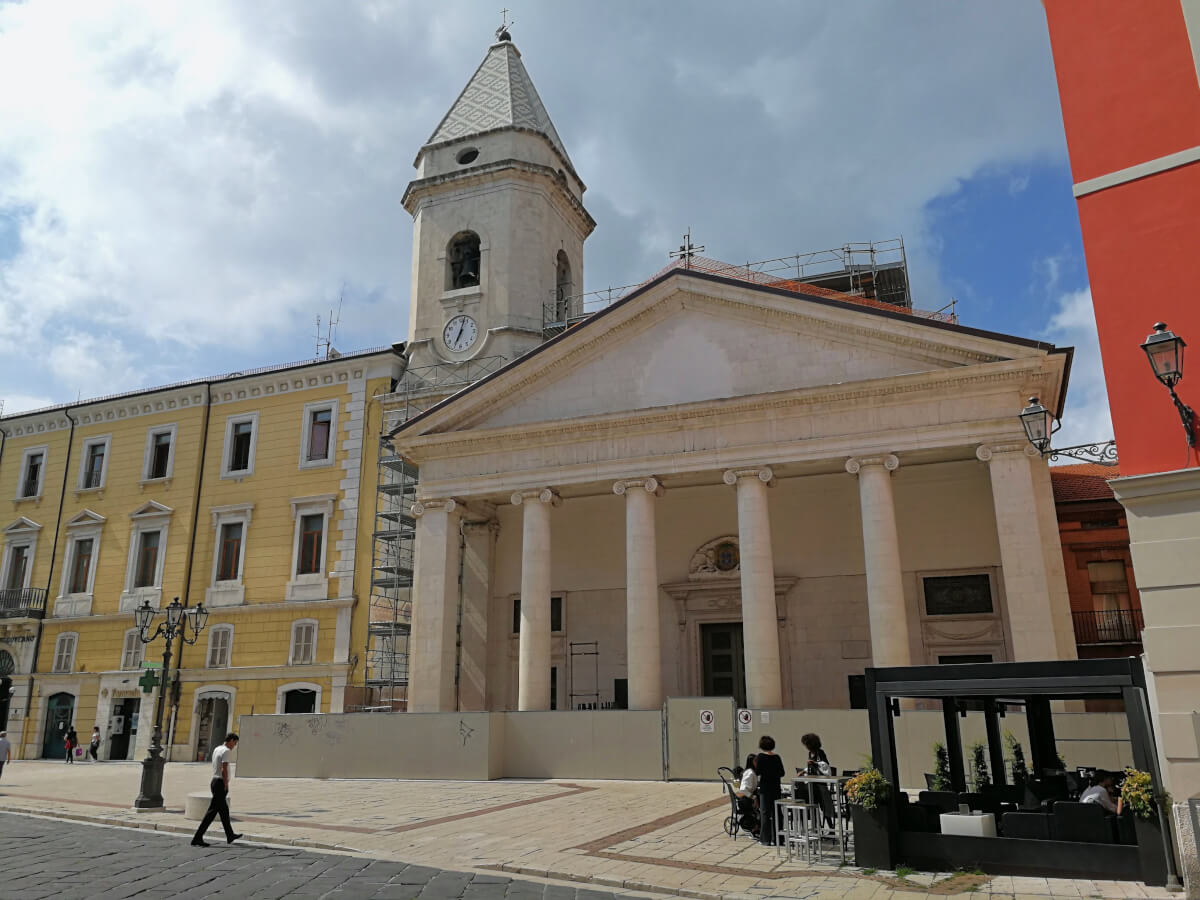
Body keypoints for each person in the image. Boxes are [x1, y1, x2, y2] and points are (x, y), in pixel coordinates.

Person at [191, 732, 243, 848]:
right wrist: (226, 784)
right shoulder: (226, 751)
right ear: (231, 740)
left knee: (224, 812)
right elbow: (223, 768)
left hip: (214, 781)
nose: (234, 746)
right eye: (235, 743)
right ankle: (197, 837)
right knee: (211, 812)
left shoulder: (217, 748)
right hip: (220, 783)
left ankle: (230, 835)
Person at [800, 733, 835, 832]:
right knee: (813, 805)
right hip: (812, 783)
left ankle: (831, 828)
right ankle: (817, 828)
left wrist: (815, 763)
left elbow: (825, 765)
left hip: (820, 783)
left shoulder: (820, 753)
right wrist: (804, 771)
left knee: (824, 806)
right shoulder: (810, 754)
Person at [755, 735, 786, 846]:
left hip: (765, 788)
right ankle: (779, 839)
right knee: (777, 813)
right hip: (776, 787)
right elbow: (782, 773)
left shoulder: (760, 757)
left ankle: (765, 839)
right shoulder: (777, 757)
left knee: (765, 813)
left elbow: (758, 771)